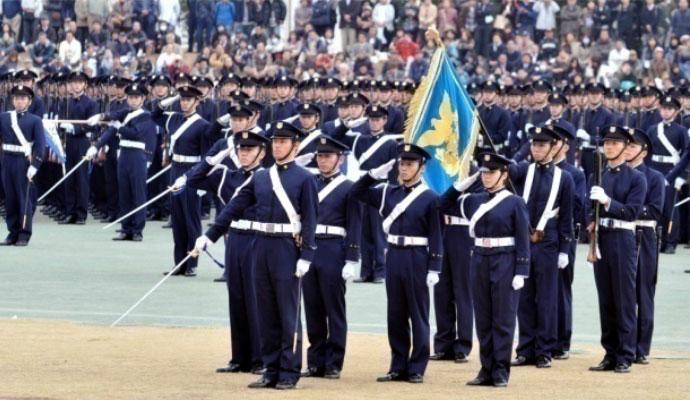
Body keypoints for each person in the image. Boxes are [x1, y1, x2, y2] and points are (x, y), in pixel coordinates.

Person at [195, 121, 318, 390]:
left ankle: (288, 371)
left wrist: (306, 255)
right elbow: (234, 207)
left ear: (295, 146)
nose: (278, 145)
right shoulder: (261, 177)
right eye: (275, 141)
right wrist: (210, 235)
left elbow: (310, 219)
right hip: (261, 246)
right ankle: (270, 369)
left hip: (287, 247)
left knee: (287, 313)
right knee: (265, 312)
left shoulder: (305, 178)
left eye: (284, 142)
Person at [351, 143, 442, 384]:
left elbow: (436, 235)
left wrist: (435, 267)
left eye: (410, 164)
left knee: (418, 313)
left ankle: (417, 367)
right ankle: (397, 365)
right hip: (394, 255)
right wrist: (372, 175)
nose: (404, 168)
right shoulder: (387, 192)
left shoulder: (430, 198)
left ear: (421, 168)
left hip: (417, 256)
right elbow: (356, 192)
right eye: (402, 163)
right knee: (396, 314)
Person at [439, 152, 530, 387]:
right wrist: (463, 185)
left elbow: (523, 238)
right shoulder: (474, 200)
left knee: (503, 319)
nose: (487, 176)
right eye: (484, 172)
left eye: (491, 172)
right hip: (479, 259)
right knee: (483, 318)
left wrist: (521, 270)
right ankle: (485, 369)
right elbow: (443, 204)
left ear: (504, 174)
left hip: (505, 260)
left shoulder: (514, 202)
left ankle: (500, 370)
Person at [182, 130, 268, 374]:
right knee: (237, 298)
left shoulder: (266, 178)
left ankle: (260, 358)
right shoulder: (226, 176)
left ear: (261, 154)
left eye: (249, 150)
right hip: (235, 237)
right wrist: (212, 159)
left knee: (255, 299)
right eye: (241, 149)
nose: (243, 154)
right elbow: (193, 179)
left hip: (258, 237)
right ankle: (239, 357)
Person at [511, 126, 574, 369]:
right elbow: (506, 170)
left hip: (549, 243)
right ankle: (525, 349)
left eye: (542, 146)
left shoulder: (564, 177)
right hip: (524, 243)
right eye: (534, 145)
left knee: (547, 298)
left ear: (553, 147)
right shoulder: (523, 171)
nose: (536, 150)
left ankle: (544, 350)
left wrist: (564, 250)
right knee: (524, 298)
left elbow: (567, 216)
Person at [301, 135, 361, 380]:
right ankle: (315, 361)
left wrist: (351, 258)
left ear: (340, 159)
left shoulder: (349, 187)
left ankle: (334, 362)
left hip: (334, 248)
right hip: (310, 248)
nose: (323, 160)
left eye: (328, 156)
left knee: (333, 308)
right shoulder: (309, 183)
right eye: (320, 156)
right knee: (312, 307)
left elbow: (355, 224)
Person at [588, 125, 646, 374]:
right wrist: (591, 219)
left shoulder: (636, 178)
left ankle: (625, 353)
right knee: (606, 299)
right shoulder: (599, 175)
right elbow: (590, 209)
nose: (609, 147)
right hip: (602, 237)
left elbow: (632, 212)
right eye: (606, 143)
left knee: (624, 298)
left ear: (625, 147)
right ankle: (610, 352)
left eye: (614, 143)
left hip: (623, 237)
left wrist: (607, 201)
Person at [85, 83, 158, 241]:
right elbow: (111, 124)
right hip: (124, 155)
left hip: (138, 156)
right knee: (124, 192)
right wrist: (97, 144)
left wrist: (117, 126)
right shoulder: (125, 113)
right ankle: (126, 228)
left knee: (137, 193)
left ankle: (137, 229)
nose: (132, 100)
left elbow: (135, 133)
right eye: (130, 97)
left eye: (136, 97)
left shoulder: (146, 115)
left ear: (143, 99)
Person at [152, 85, 211, 276]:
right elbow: (155, 114)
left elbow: (205, 158)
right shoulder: (175, 118)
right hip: (175, 169)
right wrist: (171, 98)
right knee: (177, 219)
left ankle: (191, 262)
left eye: (188, 99)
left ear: (196, 102)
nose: (184, 103)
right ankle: (179, 263)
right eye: (182, 99)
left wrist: (199, 181)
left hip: (191, 174)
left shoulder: (203, 126)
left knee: (191, 219)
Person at [624, 127, 664, 366]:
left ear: (643, 151)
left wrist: (625, 207)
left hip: (643, 234)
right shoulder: (617, 174)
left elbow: (655, 210)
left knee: (643, 292)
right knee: (622, 294)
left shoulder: (654, 178)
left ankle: (641, 347)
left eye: (632, 146)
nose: (627, 150)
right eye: (626, 145)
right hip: (621, 234)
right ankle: (624, 344)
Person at [0, 85, 45, 246]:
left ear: (29, 101)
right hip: (7, 160)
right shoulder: (4, 117)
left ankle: (24, 234)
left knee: (23, 198)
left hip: (23, 162)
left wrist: (35, 165)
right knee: (10, 198)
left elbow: (40, 146)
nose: (20, 101)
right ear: (12, 100)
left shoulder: (35, 120)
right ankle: (12, 232)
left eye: (23, 98)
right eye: (17, 98)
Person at [58, 71, 98, 225]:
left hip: (82, 142)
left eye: (79, 82)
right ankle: (70, 212)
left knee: (81, 178)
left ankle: (81, 213)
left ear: (84, 85)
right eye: (73, 82)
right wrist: (63, 130)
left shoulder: (90, 103)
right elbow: (61, 121)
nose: (76, 85)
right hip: (69, 142)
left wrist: (74, 128)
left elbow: (92, 126)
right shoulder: (65, 102)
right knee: (69, 177)